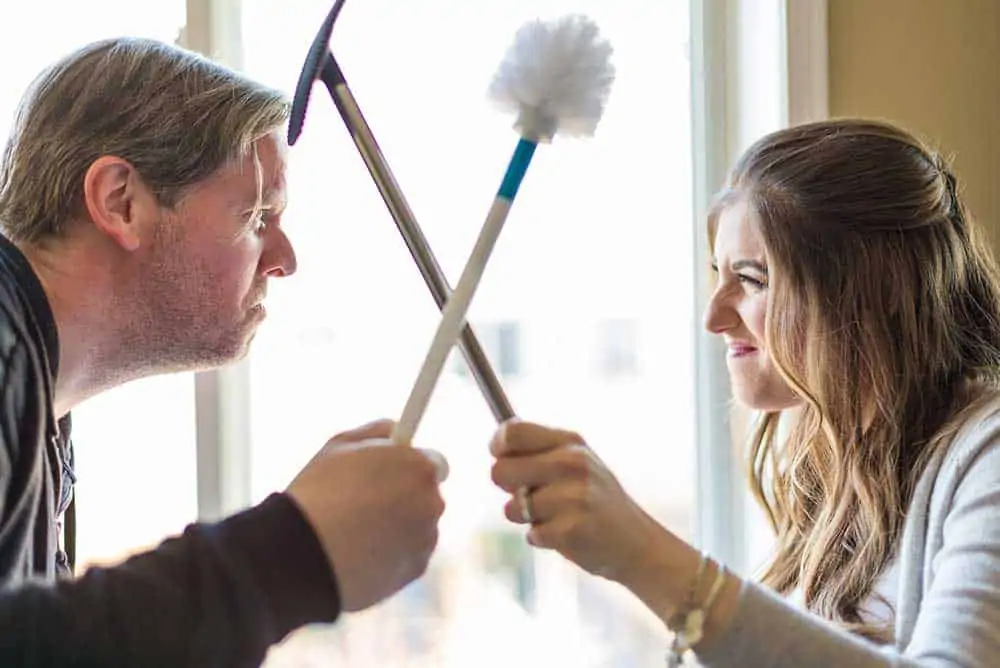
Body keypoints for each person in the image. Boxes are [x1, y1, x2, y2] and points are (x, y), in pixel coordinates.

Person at [0, 37, 449, 666]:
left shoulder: (37, 397)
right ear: (120, 201)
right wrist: (293, 550)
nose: (285, 258)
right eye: (256, 215)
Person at [490, 119, 1000, 666]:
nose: (713, 316)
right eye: (718, 274)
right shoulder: (828, 473)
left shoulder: (986, 456)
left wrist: (641, 552)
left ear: (878, 291)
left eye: (753, 279)